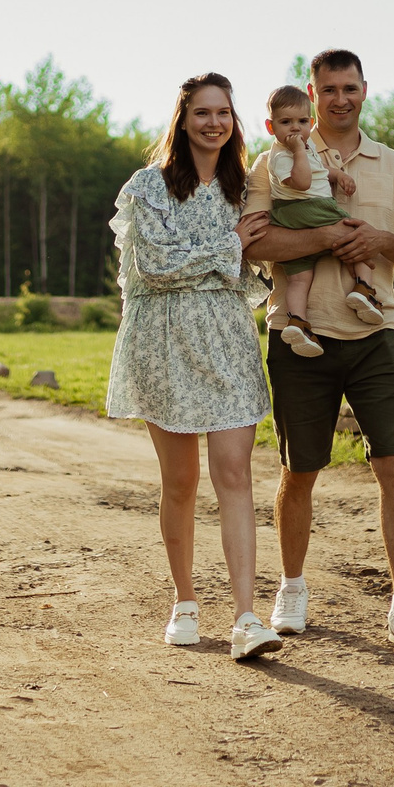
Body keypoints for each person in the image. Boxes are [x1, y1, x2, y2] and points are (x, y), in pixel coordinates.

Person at [239, 50, 394, 654]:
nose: (339, 99)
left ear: (364, 91)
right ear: (311, 92)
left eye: (349, 88)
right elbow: (256, 241)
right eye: (327, 89)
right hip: (299, 334)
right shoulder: (273, 159)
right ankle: (293, 587)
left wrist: (380, 239)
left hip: (380, 332)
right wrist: (327, 235)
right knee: (299, 469)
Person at [104, 72, 284, 662]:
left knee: (234, 475)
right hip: (163, 344)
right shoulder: (149, 186)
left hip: (228, 342)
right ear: (182, 119)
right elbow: (156, 266)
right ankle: (184, 601)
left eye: (223, 113)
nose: (214, 123)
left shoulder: (246, 190)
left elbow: (256, 270)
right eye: (202, 113)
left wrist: (230, 251)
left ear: (233, 121)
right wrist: (228, 247)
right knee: (180, 481)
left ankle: (246, 617)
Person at [259, 84, 392, 358]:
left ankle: (297, 321)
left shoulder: (304, 148)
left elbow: (318, 171)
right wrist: (298, 151)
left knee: (299, 278)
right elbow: (304, 180)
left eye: (301, 122)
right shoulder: (282, 155)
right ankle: (364, 289)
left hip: (291, 219)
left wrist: (338, 176)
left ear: (310, 122)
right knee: (356, 234)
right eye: (286, 123)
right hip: (308, 209)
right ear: (271, 128)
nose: (295, 129)